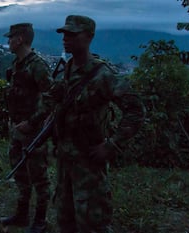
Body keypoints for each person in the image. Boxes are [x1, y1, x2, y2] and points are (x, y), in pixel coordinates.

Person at [51, 15, 145, 233]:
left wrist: (112, 145)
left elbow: (135, 110)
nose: (66, 38)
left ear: (89, 37)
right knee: (65, 220)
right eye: (64, 34)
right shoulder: (66, 70)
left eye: (73, 34)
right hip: (65, 160)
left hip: (89, 162)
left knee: (93, 222)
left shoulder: (103, 75)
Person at [0, 23, 53, 233]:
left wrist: (32, 121)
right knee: (21, 174)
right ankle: (22, 215)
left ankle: (40, 220)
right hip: (18, 128)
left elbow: (51, 98)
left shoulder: (37, 66)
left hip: (33, 130)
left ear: (20, 39)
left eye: (11, 38)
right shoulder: (17, 65)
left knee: (39, 177)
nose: (8, 41)